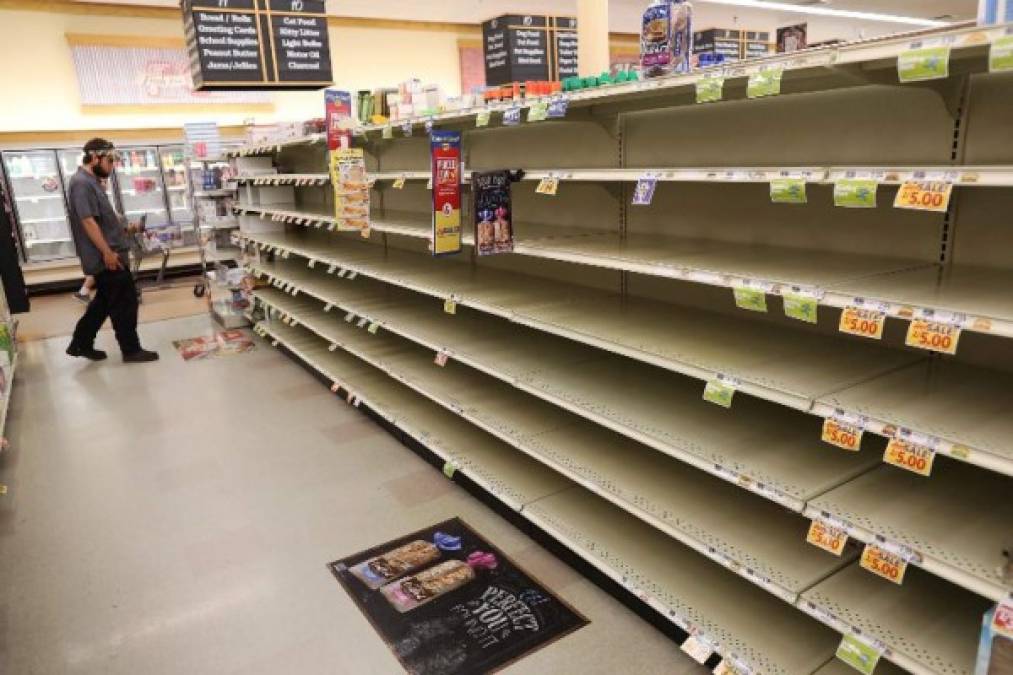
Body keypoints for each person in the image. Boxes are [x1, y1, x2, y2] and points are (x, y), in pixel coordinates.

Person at [65, 138, 158, 363]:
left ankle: (80, 343)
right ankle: (131, 350)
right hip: (107, 258)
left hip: (110, 254)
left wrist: (127, 229)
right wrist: (107, 252)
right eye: (109, 161)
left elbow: (104, 220)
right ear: (95, 157)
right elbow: (88, 221)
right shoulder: (81, 183)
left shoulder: (92, 182)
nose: (112, 166)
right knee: (125, 303)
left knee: (103, 303)